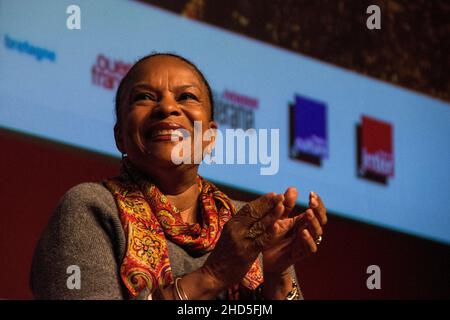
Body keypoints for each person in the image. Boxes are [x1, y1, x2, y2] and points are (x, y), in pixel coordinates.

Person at [30, 53, 327, 300]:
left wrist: (277, 276)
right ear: (120, 136)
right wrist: (211, 277)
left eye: (186, 97)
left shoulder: (251, 225)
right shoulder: (91, 208)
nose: (168, 108)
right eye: (145, 97)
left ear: (210, 137)